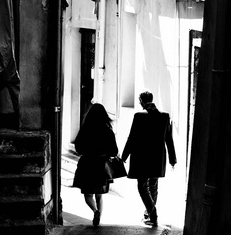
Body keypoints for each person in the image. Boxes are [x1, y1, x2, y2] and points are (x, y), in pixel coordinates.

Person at [121, 91, 177, 227]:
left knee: (142, 187)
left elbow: (132, 137)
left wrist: (124, 156)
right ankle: (149, 214)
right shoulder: (164, 116)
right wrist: (172, 159)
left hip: (141, 157)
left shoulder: (139, 116)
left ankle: (153, 214)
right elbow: (169, 138)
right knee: (153, 186)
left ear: (141, 101)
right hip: (158, 157)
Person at [72, 102, 118, 225]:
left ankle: (95, 211)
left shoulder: (85, 130)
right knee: (99, 195)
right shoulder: (108, 131)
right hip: (102, 166)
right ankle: (98, 218)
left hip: (87, 164)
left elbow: (78, 147)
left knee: (88, 194)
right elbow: (114, 151)